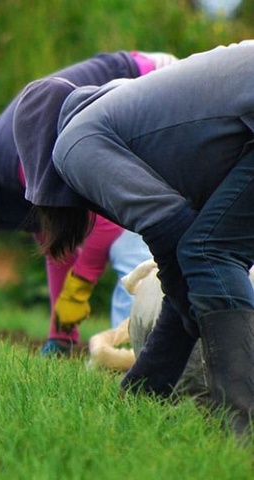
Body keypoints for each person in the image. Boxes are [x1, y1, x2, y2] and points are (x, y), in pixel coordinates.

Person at [13, 41, 254, 435]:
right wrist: (138, 397)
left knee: (209, 255)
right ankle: (194, 414)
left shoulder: (75, 143)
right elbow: (185, 270)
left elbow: (176, 243)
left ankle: (238, 435)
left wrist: (194, 307)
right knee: (208, 255)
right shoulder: (138, 121)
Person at [0, 50, 176, 356]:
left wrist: (80, 285)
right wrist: (61, 335)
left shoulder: (19, 162)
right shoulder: (3, 176)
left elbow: (105, 220)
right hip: (125, 119)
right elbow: (58, 243)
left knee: (129, 248)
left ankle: (142, 360)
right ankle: (143, 355)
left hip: (152, 83)